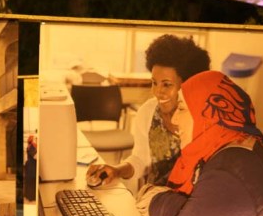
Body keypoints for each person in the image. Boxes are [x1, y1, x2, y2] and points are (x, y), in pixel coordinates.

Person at [138, 70, 263, 216]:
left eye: (182, 109)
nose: (174, 119)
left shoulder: (232, 171)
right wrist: (188, 210)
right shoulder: (231, 148)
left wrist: (156, 201)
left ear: (208, 116)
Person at [87, 34, 211, 188]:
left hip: (194, 203)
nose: (158, 92)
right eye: (154, 83)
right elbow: (140, 160)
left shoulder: (206, 119)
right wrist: (116, 170)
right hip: (154, 201)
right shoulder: (148, 111)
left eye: (166, 85)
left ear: (188, 84)